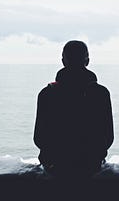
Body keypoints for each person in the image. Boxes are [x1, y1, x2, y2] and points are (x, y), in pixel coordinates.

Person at [34, 40, 114, 177]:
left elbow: (39, 138)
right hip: (90, 165)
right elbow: (107, 137)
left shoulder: (47, 93)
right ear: (87, 61)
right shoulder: (101, 93)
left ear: (63, 61)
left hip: (55, 165)